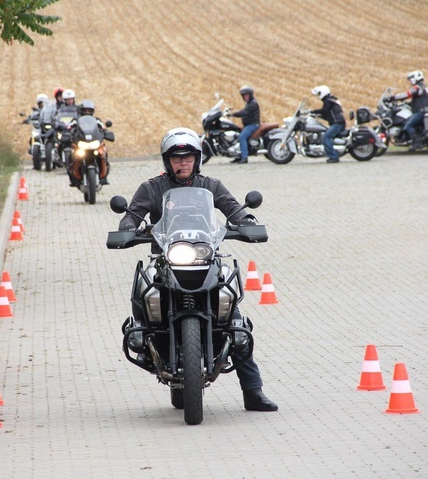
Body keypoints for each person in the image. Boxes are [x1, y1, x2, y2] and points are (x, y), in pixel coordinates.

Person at [117, 127, 279, 412]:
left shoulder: (210, 185)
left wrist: (246, 220)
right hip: (167, 260)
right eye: (176, 157)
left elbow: (232, 208)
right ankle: (144, 339)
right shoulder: (152, 187)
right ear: (167, 161)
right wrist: (129, 229)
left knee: (234, 321)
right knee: (144, 294)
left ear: (197, 158)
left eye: (188, 157)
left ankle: (253, 392)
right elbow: (133, 214)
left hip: (206, 258)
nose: (182, 162)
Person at [67, 99, 110, 186]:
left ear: (92, 111)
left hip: (94, 143)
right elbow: (69, 127)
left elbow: (103, 127)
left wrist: (106, 132)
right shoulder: (76, 120)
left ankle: (104, 175)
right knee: (71, 155)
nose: (87, 112)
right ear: (81, 110)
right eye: (85, 110)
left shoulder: (96, 120)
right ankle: (73, 177)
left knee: (103, 152)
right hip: (81, 143)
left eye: (89, 110)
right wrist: (68, 133)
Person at [387, 70, 428, 150]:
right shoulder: (425, 87)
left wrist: (394, 97)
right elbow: (421, 99)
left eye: (411, 79)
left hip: (421, 111)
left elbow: (407, 94)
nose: (411, 81)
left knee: (408, 126)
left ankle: (416, 142)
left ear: (415, 78)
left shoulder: (417, 87)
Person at [310, 85, 346, 163]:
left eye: (319, 94)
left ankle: (334, 156)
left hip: (338, 124)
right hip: (338, 123)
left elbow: (324, 110)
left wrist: (312, 111)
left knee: (326, 137)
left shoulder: (328, 101)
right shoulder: (331, 99)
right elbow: (328, 114)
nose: (318, 96)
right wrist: (318, 116)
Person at [227, 85, 260, 164]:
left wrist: (232, 115)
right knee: (238, 136)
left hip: (253, 125)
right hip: (248, 125)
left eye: (247, 95)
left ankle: (244, 158)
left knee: (242, 137)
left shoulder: (253, 103)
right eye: (244, 95)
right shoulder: (249, 103)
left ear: (250, 95)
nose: (245, 97)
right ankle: (239, 156)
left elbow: (244, 112)